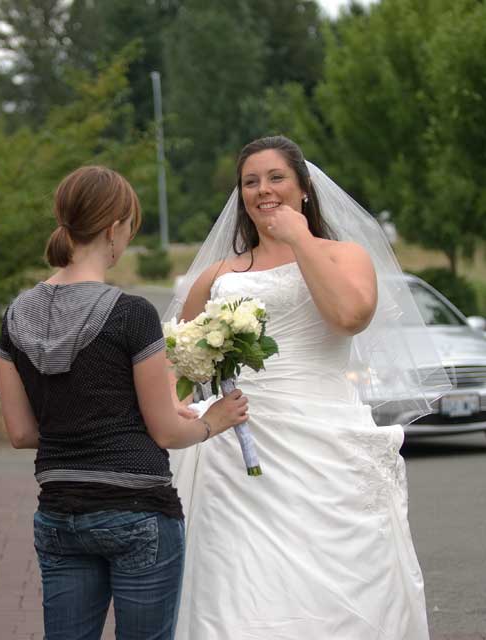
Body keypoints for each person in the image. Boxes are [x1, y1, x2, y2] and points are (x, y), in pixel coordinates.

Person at [166, 136, 449, 639]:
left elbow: (348, 316)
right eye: (250, 181)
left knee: (341, 584)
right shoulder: (218, 275)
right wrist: (180, 417)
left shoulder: (345, 255)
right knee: (239, 587)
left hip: (325, 438)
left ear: (304, 188)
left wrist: (299, 240)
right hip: (236, 450)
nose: (262, 190)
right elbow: (180, 368)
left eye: (276, 178)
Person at [0, 165, 249, 640]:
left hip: (59, 512)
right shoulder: (131, 314)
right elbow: (167, 432)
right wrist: (215, 419)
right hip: (136, 508)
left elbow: (21, 433)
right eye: (130, 228)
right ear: (113, 228)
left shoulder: (15, 316)